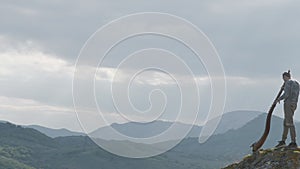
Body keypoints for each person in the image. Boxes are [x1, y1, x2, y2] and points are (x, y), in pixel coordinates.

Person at [275, 71, 300, 148]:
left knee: (289, 122)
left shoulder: (288, 83)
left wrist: (279, 99)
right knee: (286, 121)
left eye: (283, 78)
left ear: (285, 77)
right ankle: (283, 140)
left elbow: (286, 94)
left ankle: (293, 141)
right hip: (294, 104)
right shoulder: (296, 83)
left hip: (288, 103)